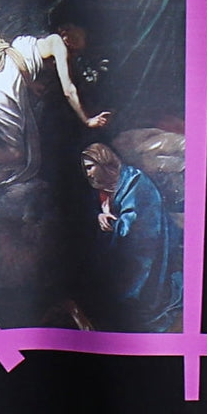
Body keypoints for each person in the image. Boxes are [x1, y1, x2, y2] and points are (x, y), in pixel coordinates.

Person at [0, 10, 112, 208]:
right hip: (1, 84)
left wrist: (30, 84)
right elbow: (68, 90)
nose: (83, 44)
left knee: (16, 156)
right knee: (16, 154)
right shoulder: (56, 42)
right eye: (84, 36)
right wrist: (87, 120)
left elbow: (19, 60)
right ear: (68, 30)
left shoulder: (32, 43)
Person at [80, 142, 184, 333]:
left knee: (131, 292)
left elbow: (136, 226)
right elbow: (92, 215)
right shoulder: (102, 189)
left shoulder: (135, 182)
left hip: (145, 245)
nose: (88, 174)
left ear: (104, 162)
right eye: (85, 169)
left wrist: (111, 225)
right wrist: (100, 217)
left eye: (90, 167)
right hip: (121, 244)